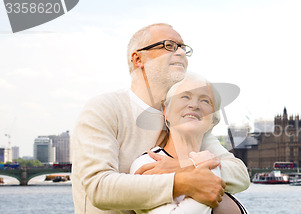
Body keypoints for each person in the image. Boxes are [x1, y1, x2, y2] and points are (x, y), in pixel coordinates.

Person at [71, 23, 250, 214]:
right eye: (169, 46)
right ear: (138, 58)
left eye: (183, 47)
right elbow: (99, 188)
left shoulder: (185, 120)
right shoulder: (105, 108)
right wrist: (181, 181)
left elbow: (239, 173)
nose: (181, 52)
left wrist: (185, 166)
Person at [129, 74, 247, 214]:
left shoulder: (214, 160)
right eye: (185, 97)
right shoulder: (148, 163)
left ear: (213, 121)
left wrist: (190, 166)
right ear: (166, 111)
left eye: (205, 100)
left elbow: (242, 177)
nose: (194, 105)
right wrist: (207, 167)